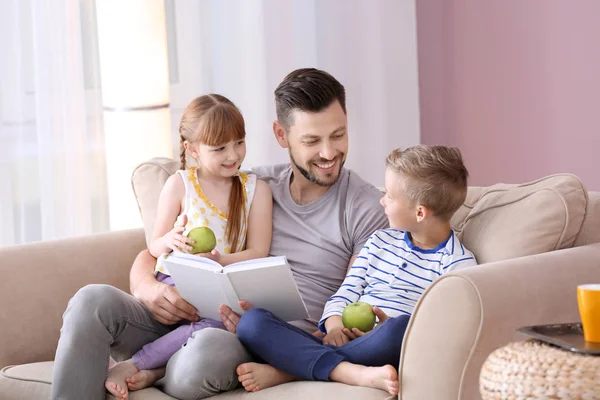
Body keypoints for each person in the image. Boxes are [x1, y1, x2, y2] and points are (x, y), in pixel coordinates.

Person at [50, 68, 388, 400]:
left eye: (338, 135)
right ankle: (153, 363)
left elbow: (354, 300)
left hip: (251, 338)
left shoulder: (365, 208)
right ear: (281, 135)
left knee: (204, 352)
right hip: (183, 311)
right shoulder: (248, 186)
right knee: (91, 301)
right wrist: (147, 288)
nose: (328, 153)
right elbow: (153, 251)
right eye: (312, 141)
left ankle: (154, 366)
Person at [235, 145, 478, 396]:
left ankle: (288, 370)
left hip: (386, 344)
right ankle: (348, 371)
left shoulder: (458, 267)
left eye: (391, 197)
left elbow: (440, 336)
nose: (382, 199)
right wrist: (335, 325)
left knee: (401, 329)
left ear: (419, 212)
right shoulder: (379, 241)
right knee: (251, 323)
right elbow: (346, 291)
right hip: (347, 341)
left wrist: (382, 329)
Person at [101, 94, 272, 399]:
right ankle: (155, 365)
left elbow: (259, 252)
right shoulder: (180, 184)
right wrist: (170, 241)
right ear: (192, 149)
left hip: (215, 288)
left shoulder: (255, 189)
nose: (233, 155)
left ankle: (143, 365)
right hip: (174, 282)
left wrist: (220, 260)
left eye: (239, 142)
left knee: (216, 320)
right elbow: (155, 245)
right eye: (219, 148)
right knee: (202, 316)